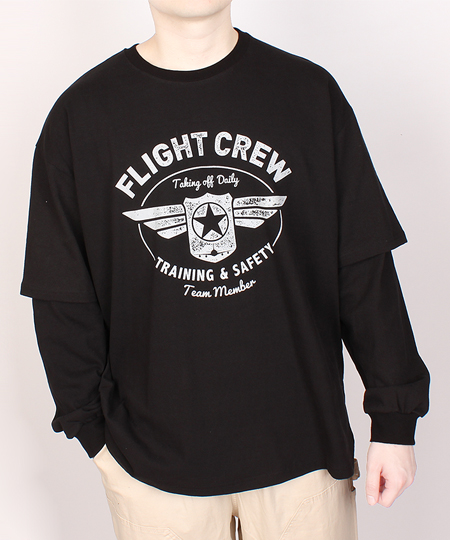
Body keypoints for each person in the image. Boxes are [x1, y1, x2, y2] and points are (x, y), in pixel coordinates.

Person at [21, 1, 430, 539]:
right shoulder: (82, 115)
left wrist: (394, 419)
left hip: (303, 455)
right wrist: (94, 436)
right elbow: (60, 293)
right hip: (151, 469)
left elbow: (362, 266)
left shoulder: (308, 94)